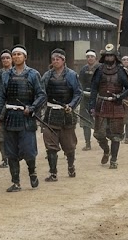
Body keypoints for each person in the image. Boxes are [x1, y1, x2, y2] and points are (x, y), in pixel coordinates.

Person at [0, 45, 46, 191]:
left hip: (26, 117)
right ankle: (16, 182)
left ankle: (32, 172)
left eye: (19, 54)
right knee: (11, 152)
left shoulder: (33, 74)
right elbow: (0, 96)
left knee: (28, 150)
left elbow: (41, 95)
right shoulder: (5, 75)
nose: (16, 57)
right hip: (10, 116)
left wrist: (32, 107)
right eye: (14, 54)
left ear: (25, 57)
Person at [90, 44, 128, 168]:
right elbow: (94, 89)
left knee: (116, 135)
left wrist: (120, 96)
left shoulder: (121, 71)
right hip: (102, 104)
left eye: (111, 55)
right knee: (99, 134)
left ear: (115, 57)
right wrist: (91, 105)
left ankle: (113, 160)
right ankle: (106, 150)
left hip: (116, 105)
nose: (109, 58)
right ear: (104, 57)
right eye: (107, 55)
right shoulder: (99, 70)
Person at [39, 49, 81, 180]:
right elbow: (41, 93)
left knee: (69, 146)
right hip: (51, 113)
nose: (55, 61)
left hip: (66, 113)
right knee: (51, 145)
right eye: (53, 59)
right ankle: (53, 173)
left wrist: (71, 105)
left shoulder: (71, 75)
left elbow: (78, 93)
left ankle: (70, 166)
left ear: (63, 60)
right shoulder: (47, 75)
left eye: (58, 59)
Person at [77, 50, 98, 151]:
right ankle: (88, 143)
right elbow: (80, 83)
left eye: (92, 57)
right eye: (88, 57)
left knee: (99, 120)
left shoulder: (100, 69)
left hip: (97, 98)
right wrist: (82, 92)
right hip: (85, 98)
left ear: (95, 58)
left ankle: (101, 139)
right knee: (85, 122)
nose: (90, 58)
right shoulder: (83, 69)